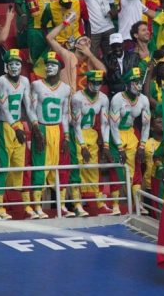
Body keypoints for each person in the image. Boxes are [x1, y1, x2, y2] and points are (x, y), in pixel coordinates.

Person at [0, 49, 37, 220]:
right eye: (10, 64)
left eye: (17, 63)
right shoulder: (1, 82)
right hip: (5, 126)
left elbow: (28, 105)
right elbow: (3, 107)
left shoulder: (25, 81)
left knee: (22, 166)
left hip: (18, 125)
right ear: (6, 66)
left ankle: (27, 206)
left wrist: (35, 124)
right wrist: (15, 127)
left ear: (21, 65)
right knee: (2, 167)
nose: (14, 66)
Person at [29, 52, 72, 218]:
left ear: (60, 68)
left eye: (53, 64)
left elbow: (65, 114)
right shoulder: (37, 85)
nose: (49, 67)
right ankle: (37, 207)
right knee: (40, 168)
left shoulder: (66, 89)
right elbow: (31, 109)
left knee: (59, 167)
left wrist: (67, 136)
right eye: (47, 64)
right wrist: (35, 128)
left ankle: (61, 206)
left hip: (58, 129)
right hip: (42, 128)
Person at [106, 68, 150, 216]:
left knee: (136, 168)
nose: (139, 86)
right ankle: (116, 205)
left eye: (139, 82)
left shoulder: (143, 100)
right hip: (116, 134)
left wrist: (142, 145)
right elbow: (113, 125)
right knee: (117, 170)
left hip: (131, 133)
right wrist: (118, 146)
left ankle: (138, 204)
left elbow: (146, 125)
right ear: (128, 84)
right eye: (135, 82)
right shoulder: (118, 99)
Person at [70, 70, 110, 217]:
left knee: (93, 169)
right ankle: (77, 203)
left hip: (92, 134)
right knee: (77, 169)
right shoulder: (77, 98)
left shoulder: (104, 99)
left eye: (99, 83)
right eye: (94, 82)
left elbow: (105, 124)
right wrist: (82, 146)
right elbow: (76, 124)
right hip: (77, 135)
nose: (97, 85)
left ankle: (98, 202)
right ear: (88, 82)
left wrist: (106, 145)